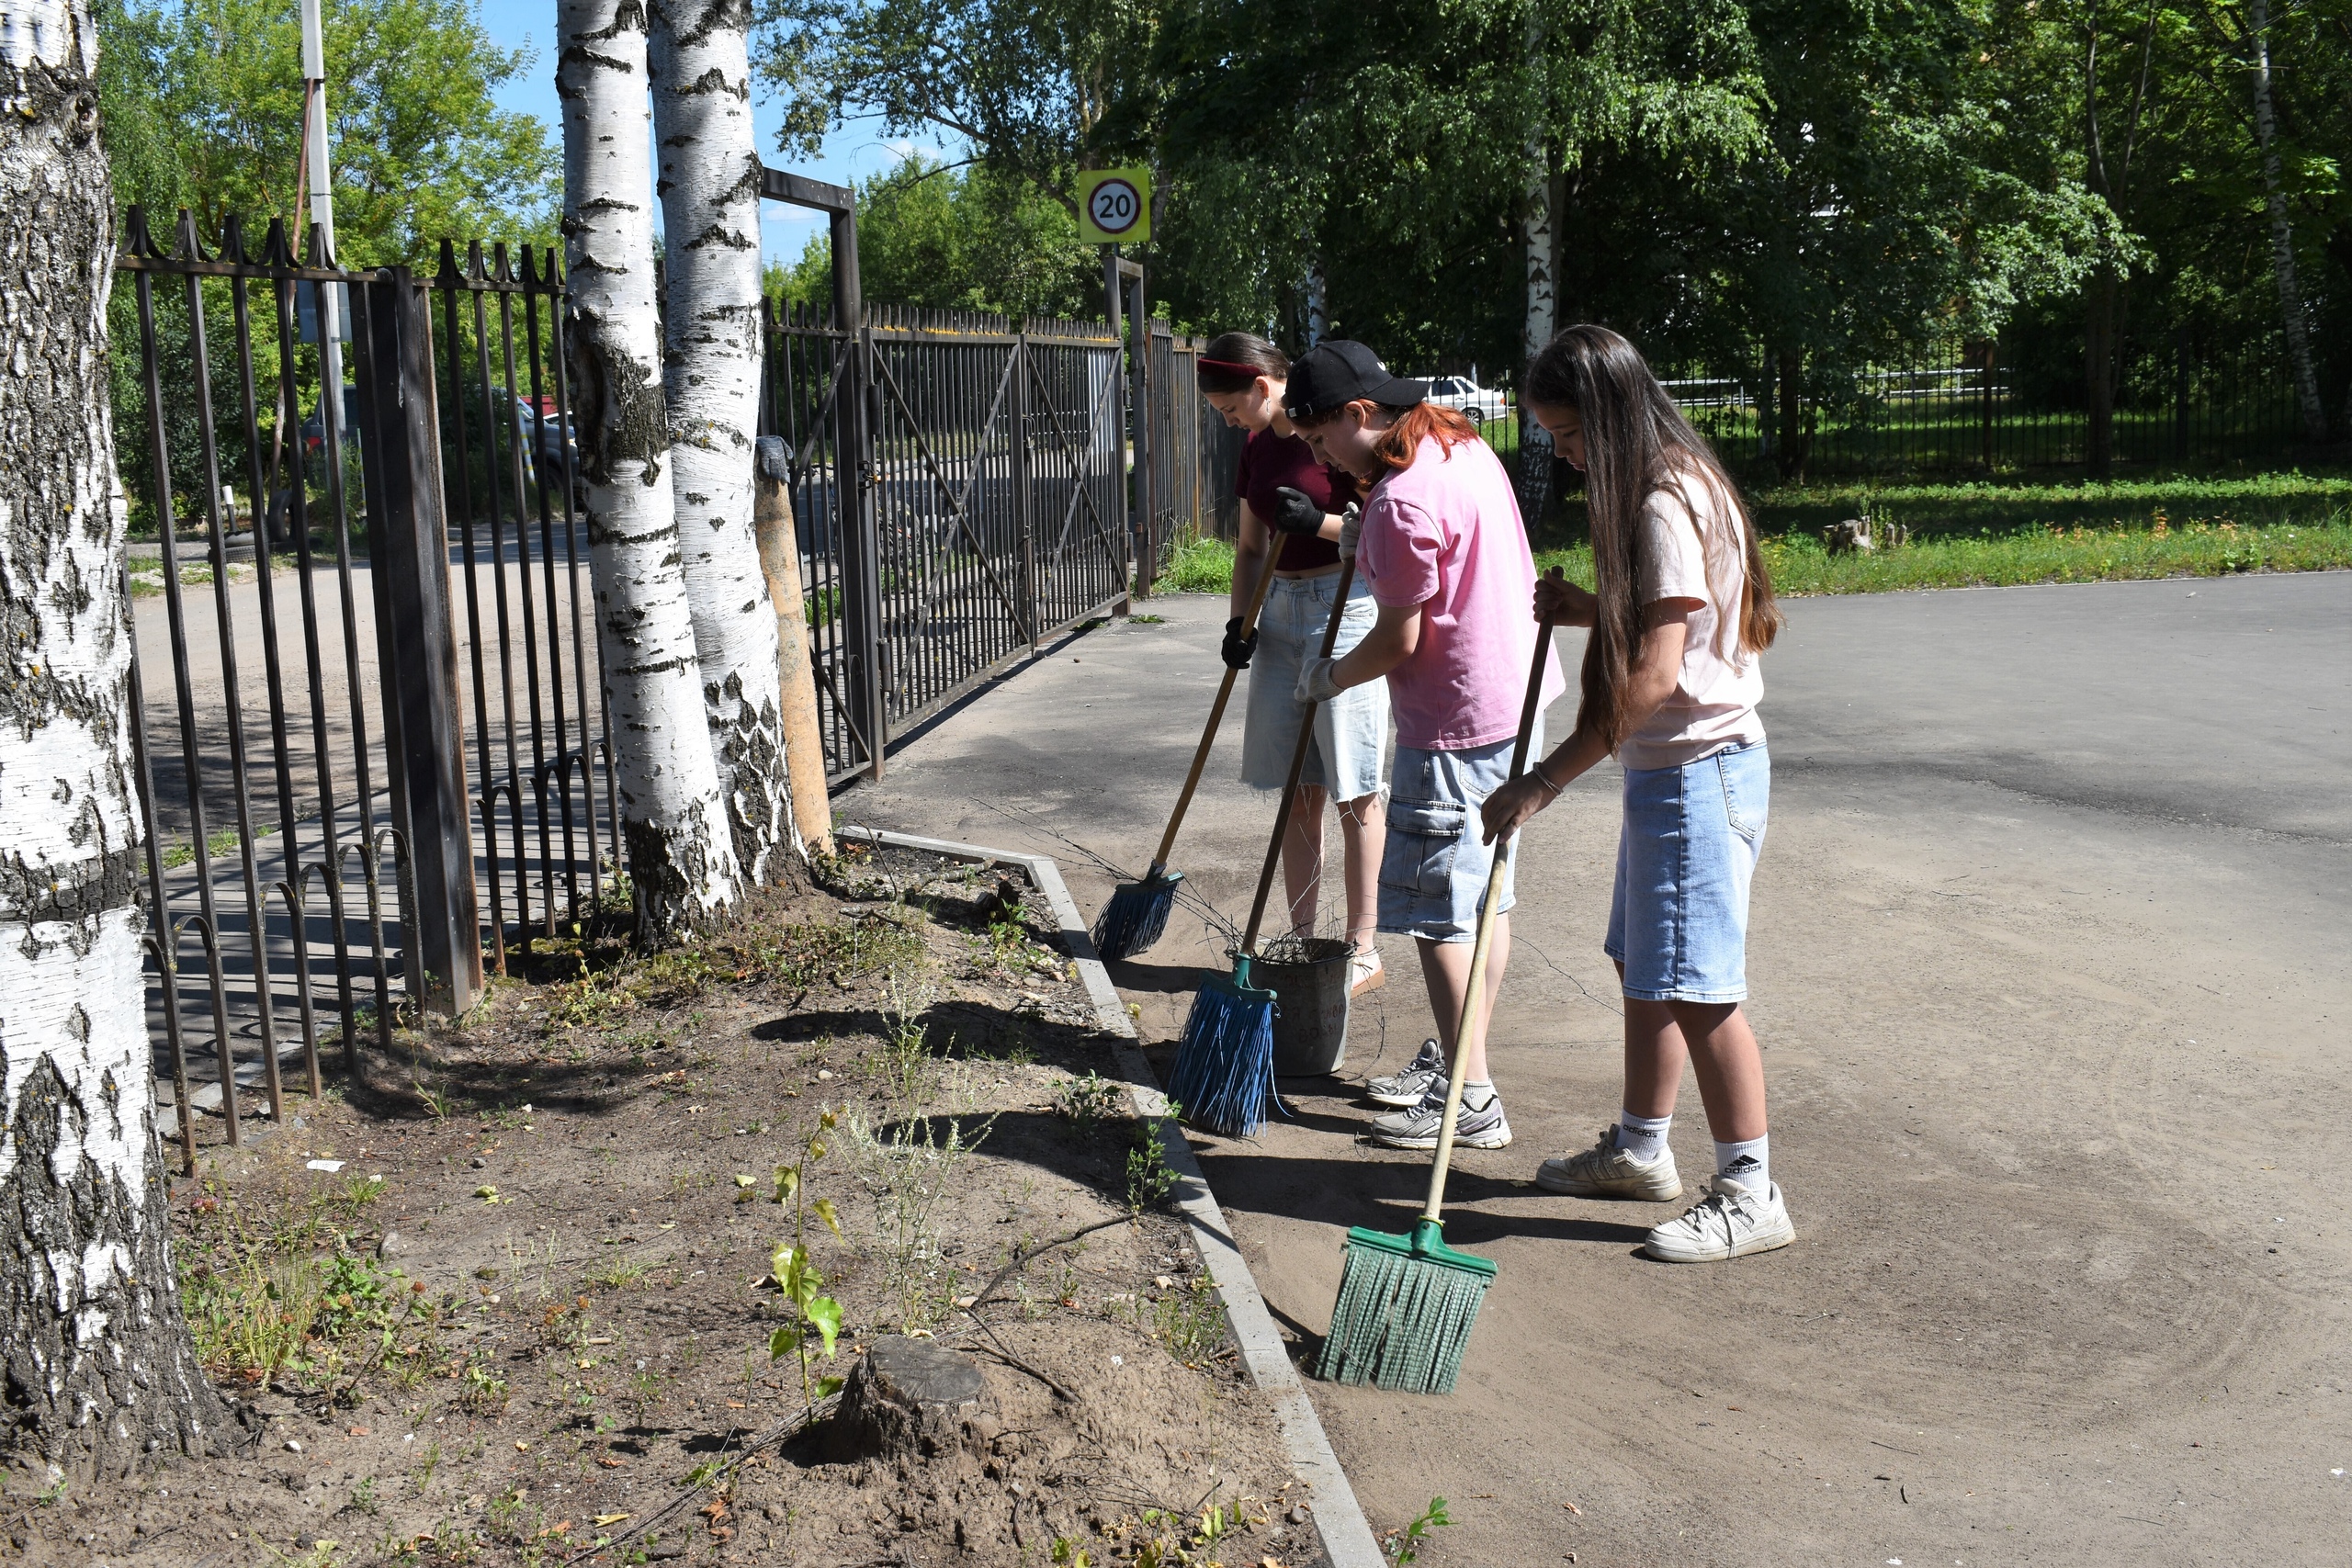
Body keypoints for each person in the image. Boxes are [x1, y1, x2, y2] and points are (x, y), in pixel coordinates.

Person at [1480, 322, 1793, 1262]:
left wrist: (1543, 779)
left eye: (1572, 441)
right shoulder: (1674, 478)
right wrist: (1587, 606)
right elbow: (1673, 621)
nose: (1570, 462)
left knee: (1698, 990)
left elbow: (1657, 674)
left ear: (1608, 420)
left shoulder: (1660, 498)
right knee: (1648, 967)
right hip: (1678, 772)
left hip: (1697, 773)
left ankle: (1750, 1192)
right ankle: (1640, 1150)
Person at [1283, 340, 1564, 1149]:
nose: (1318, 456)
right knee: (1488, 897)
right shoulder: (1458, 444)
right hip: (1517, 699)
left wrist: (1332, 675)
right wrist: (1361, 526)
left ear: (1359, 415)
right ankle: (1455, 1058)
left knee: (1445, 914)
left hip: (1457, 720)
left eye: (1317, 438)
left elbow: (1400, 640)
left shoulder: (1404, 499)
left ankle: (1471, 1098)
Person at [1196, 333, 1389, 996]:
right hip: (1279, 610)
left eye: (1229, 407)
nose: (1228, 421)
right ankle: (1305, 941)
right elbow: (1251, 549)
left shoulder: (1330, 430)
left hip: (1347, 598)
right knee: (1297, 786)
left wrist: (1319, 522)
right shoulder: (1256, 447)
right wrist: (1239, 621)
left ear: (1260, 384)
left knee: (1354, 782)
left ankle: (1363, 946)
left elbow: (1374, 527)